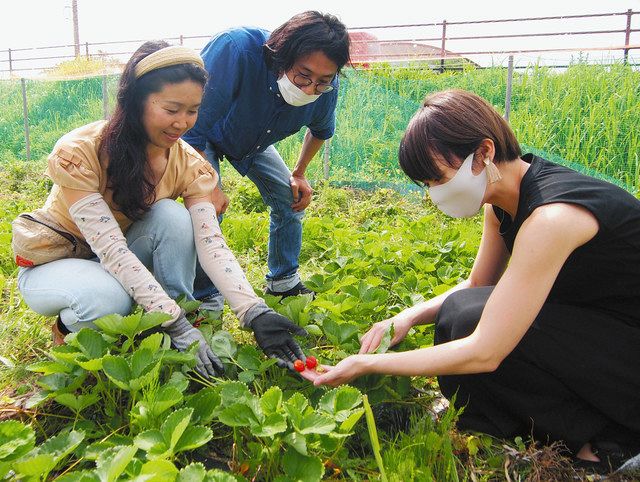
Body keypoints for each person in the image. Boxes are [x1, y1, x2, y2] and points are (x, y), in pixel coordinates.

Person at [311, 89, 640, 469]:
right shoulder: (503, 204)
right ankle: (544, 425)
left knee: (473, 328)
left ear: (483, 154)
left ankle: (616, 437)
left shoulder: (554, 217)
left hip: (628, 348)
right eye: (427, 184)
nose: (434, 193)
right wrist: (405, 317)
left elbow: (486, 351)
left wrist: (366, 365)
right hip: (601, 327)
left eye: (438, 178)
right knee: (460, 313)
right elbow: (474, 286)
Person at [12, 41, 308, 378]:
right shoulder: (82, 150)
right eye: (171, 109)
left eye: (193, 110)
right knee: (108, 302)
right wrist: (175, 324)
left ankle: (164, 323)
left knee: (172, 216)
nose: (182, 122)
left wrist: (253, 311)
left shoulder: (189, 164)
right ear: (137, 101)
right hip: (59, 262)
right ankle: (68, 332)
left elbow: (212, 244)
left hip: (116, 260)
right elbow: (109, 246)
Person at [182, 11, 350, 306]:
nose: (310, 89)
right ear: (282, 57)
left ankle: (283, 283)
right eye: (303, 76)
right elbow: (190, 126)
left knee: (291, 198)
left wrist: (299, 173)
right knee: (207, 210)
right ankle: (205, 296)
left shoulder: (327, 89)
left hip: (253, 140)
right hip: (203, 134)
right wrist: (208, 185)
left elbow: (321, 130)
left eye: (323, 81)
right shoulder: (236, 50)